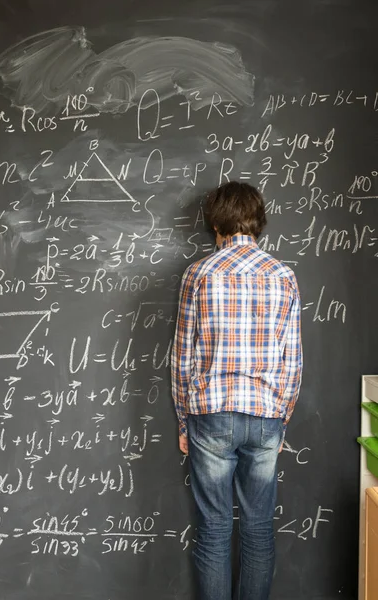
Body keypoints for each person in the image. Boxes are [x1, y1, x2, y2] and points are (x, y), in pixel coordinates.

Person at [171, 181, 303, 600]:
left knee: (213, 528)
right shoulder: (283, 276)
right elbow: (292, 360)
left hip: (209, 415)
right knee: (259, 529)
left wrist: (182, 419)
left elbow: (182, 355)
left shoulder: (199, 274)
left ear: (216, 223)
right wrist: (282, 418)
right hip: (265, 415)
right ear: (258, 222)